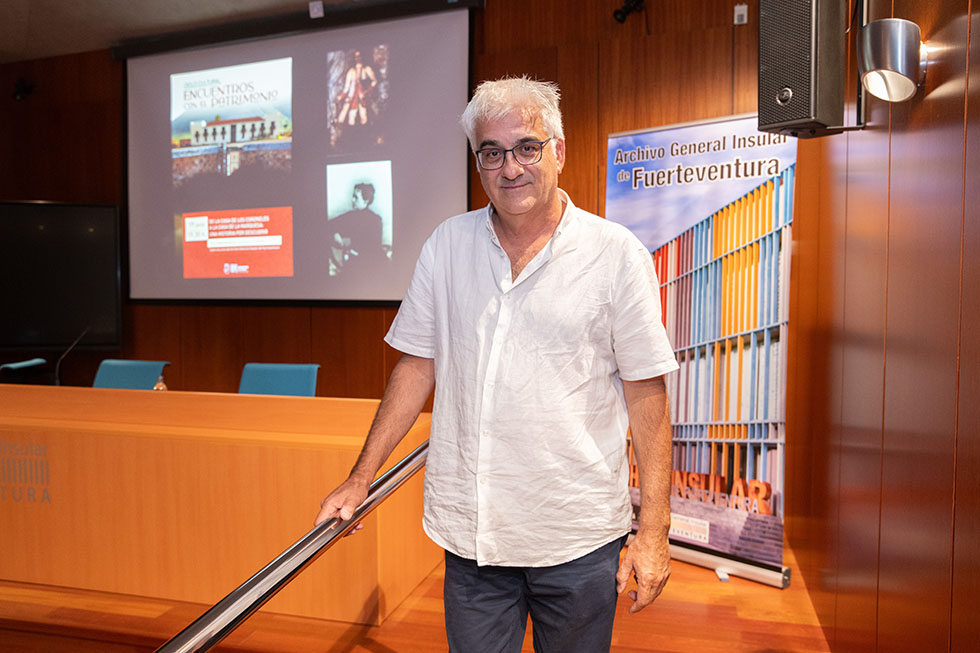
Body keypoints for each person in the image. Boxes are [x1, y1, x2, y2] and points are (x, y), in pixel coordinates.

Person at [315, 76, 678, 652]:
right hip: (473, 539)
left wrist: (654, 529)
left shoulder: (615, 255)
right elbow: (416, 368)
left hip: (576, 537)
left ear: (559, 151)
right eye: (492, 152)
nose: (511, 168)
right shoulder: (446, 246)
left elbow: (646, 393)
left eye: (527, 147)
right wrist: (361, 478)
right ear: (478, 163)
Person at [328, 182, 384, 276]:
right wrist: (335, 233)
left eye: (356, 197)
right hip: (353, 265)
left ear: (366, 200)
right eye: (352, 196)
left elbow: (372, 248)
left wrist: (348, 242)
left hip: (370, 268)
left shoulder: (375, 220)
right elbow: (330, 225)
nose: (352, 200)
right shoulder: (350, 216)